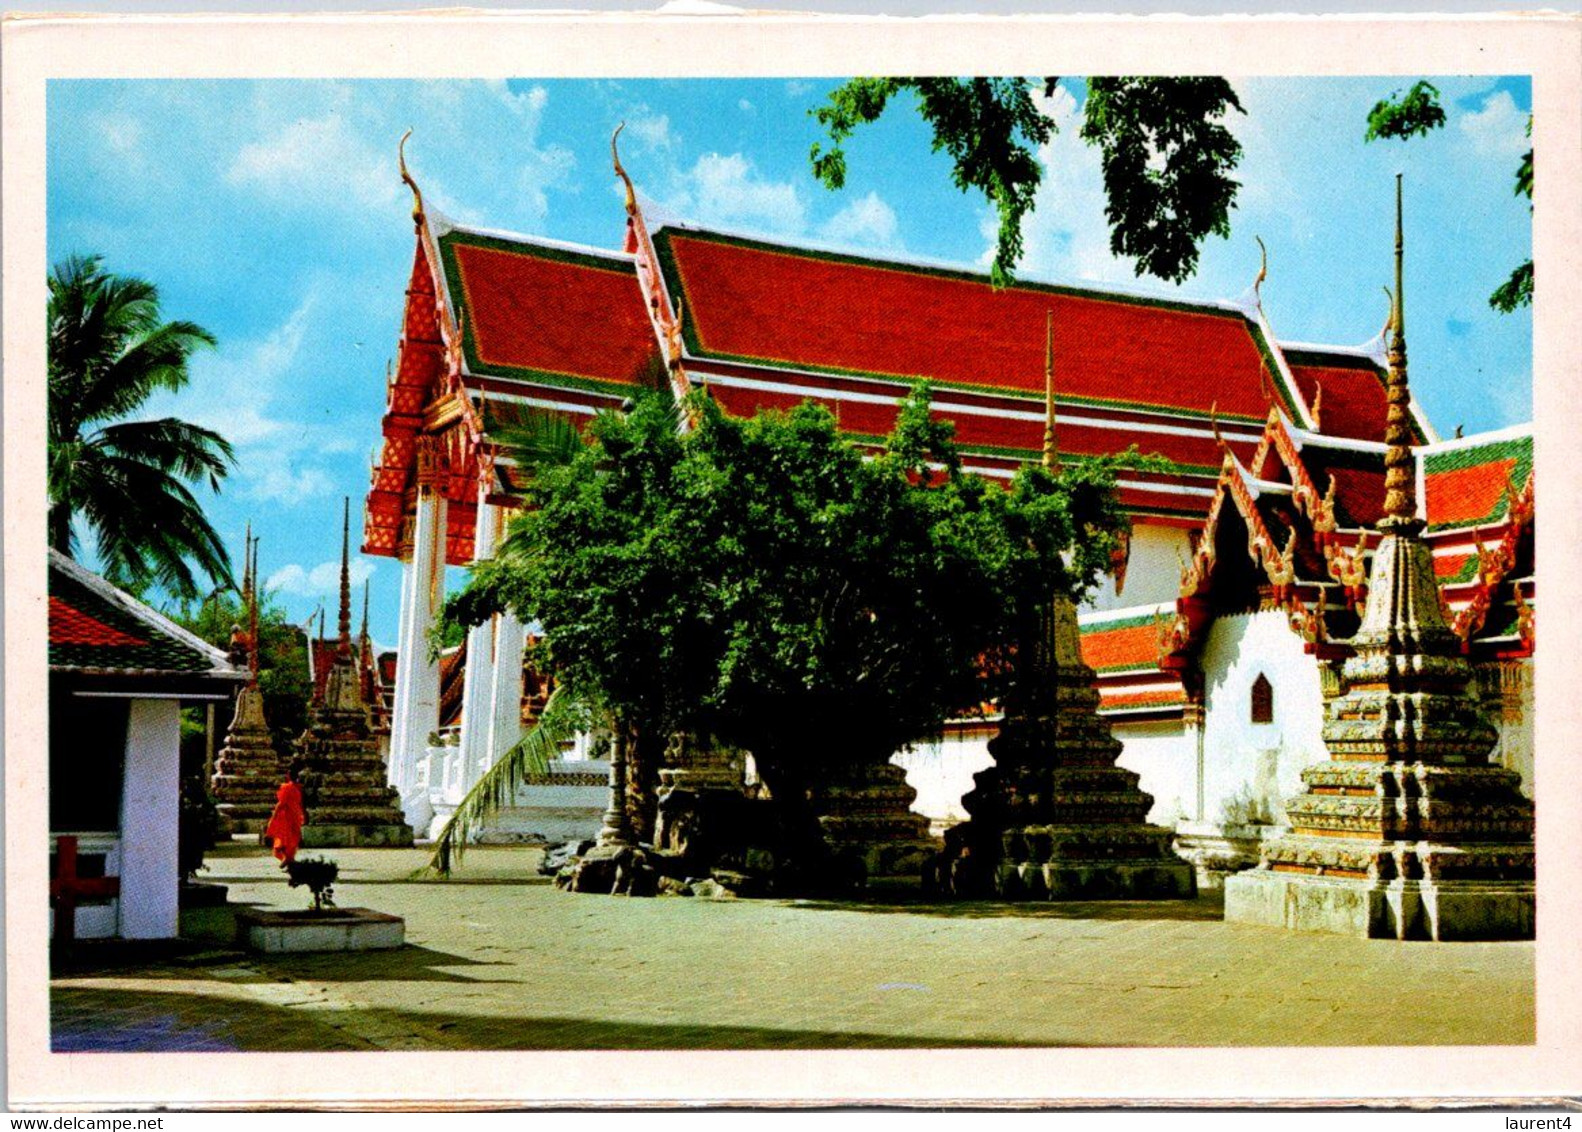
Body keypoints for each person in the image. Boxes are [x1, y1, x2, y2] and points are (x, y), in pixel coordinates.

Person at [264, 763, 307, 868]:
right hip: (295, 814)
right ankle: (289, 858)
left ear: (288, 776)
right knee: (292, 838)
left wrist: (274, 815)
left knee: (283, 838)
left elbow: (281, 803)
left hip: (286, 815)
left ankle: (287, 858)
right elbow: (301, 803)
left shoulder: (286, 787)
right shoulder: (299, 788)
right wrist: (304, 814)